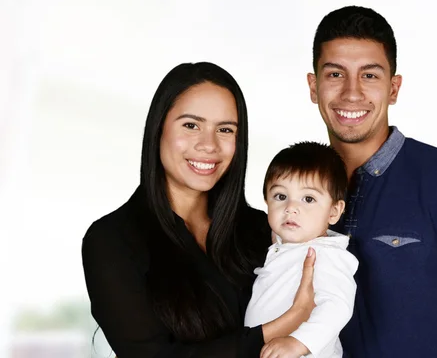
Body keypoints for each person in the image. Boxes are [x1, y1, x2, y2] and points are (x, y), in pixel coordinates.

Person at [306, 6, 437, 357]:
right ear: (314, 87)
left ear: (394, 88)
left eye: (370, 76)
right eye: (335, 74)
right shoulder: (299, 190)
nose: (352, 92)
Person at [81, 62, 316, 358]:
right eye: (191, 125)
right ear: (158, 129)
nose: (209, 145)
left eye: (225, 129)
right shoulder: (111, 240)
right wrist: (283, 325)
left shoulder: (266, 230)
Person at [245, 142, 359, 358]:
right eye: (280, 196)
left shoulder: (326, 255)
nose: (290, 208)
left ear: (334, 211)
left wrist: (299, 342)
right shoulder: (282, 247)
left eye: (308, 199)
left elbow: (337, 306)